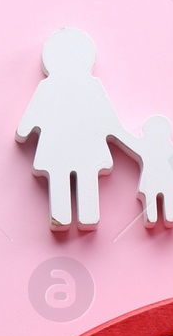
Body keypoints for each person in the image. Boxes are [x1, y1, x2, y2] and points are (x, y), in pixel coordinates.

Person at [17, 29, 131, 230]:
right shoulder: (88, 86)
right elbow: (110, 123)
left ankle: (65, 217)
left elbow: (27, 124)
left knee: (62, 181)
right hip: (86, 150)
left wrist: (25, 132)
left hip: (57, 151)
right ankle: (86, 217)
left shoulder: (50, 86)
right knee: (84, 179)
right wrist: (126, 138)